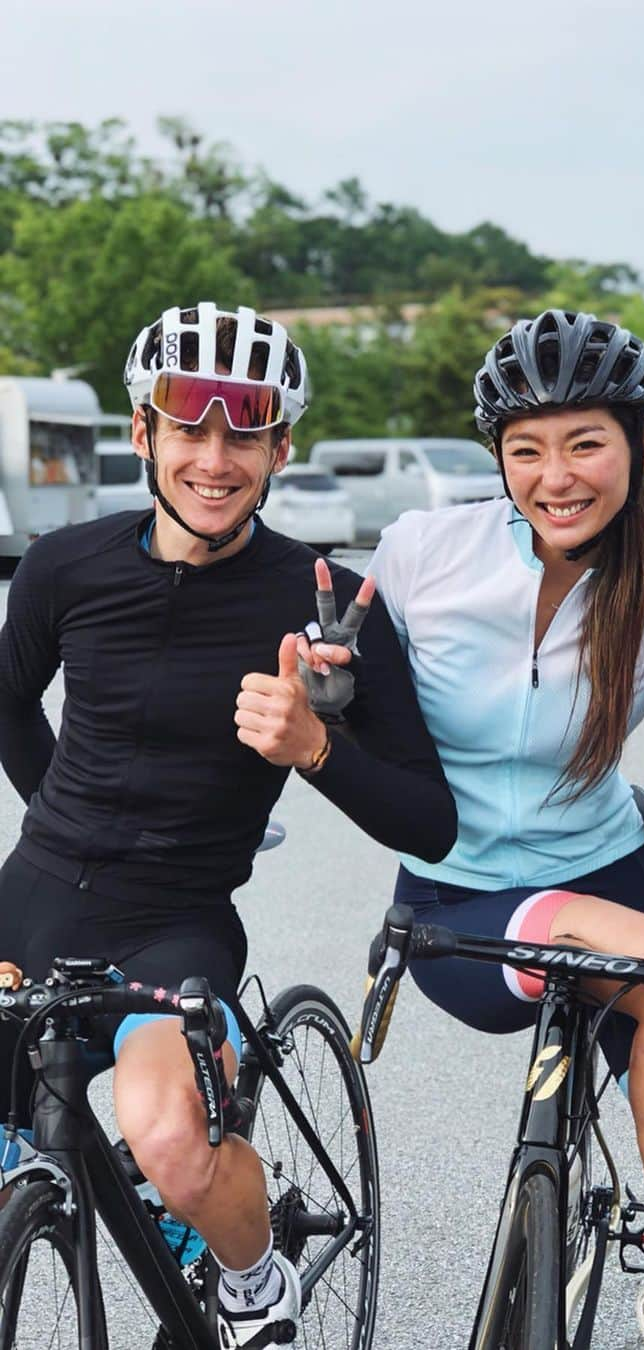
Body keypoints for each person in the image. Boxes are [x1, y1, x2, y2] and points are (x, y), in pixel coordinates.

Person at [0, 302, 456, 1347]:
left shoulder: (328, 603)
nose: (214, 458)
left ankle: (253, 1278)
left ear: (280, 445)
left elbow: (429, 823)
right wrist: (62, 815)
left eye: (242, 431)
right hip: (28, 897)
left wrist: (315, 749)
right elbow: (8, 701)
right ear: (142, 431)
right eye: (188, 427)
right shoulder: (64, 567)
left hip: (174, 923)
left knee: (169, 1141)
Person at [368, 308, 644, 1350]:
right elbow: (365, 739)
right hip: (464, 897)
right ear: (498, 458)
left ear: (641, 445)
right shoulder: (423, 553)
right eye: (526, 450)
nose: (557, 476)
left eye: (586, 443)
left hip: (614, 884)